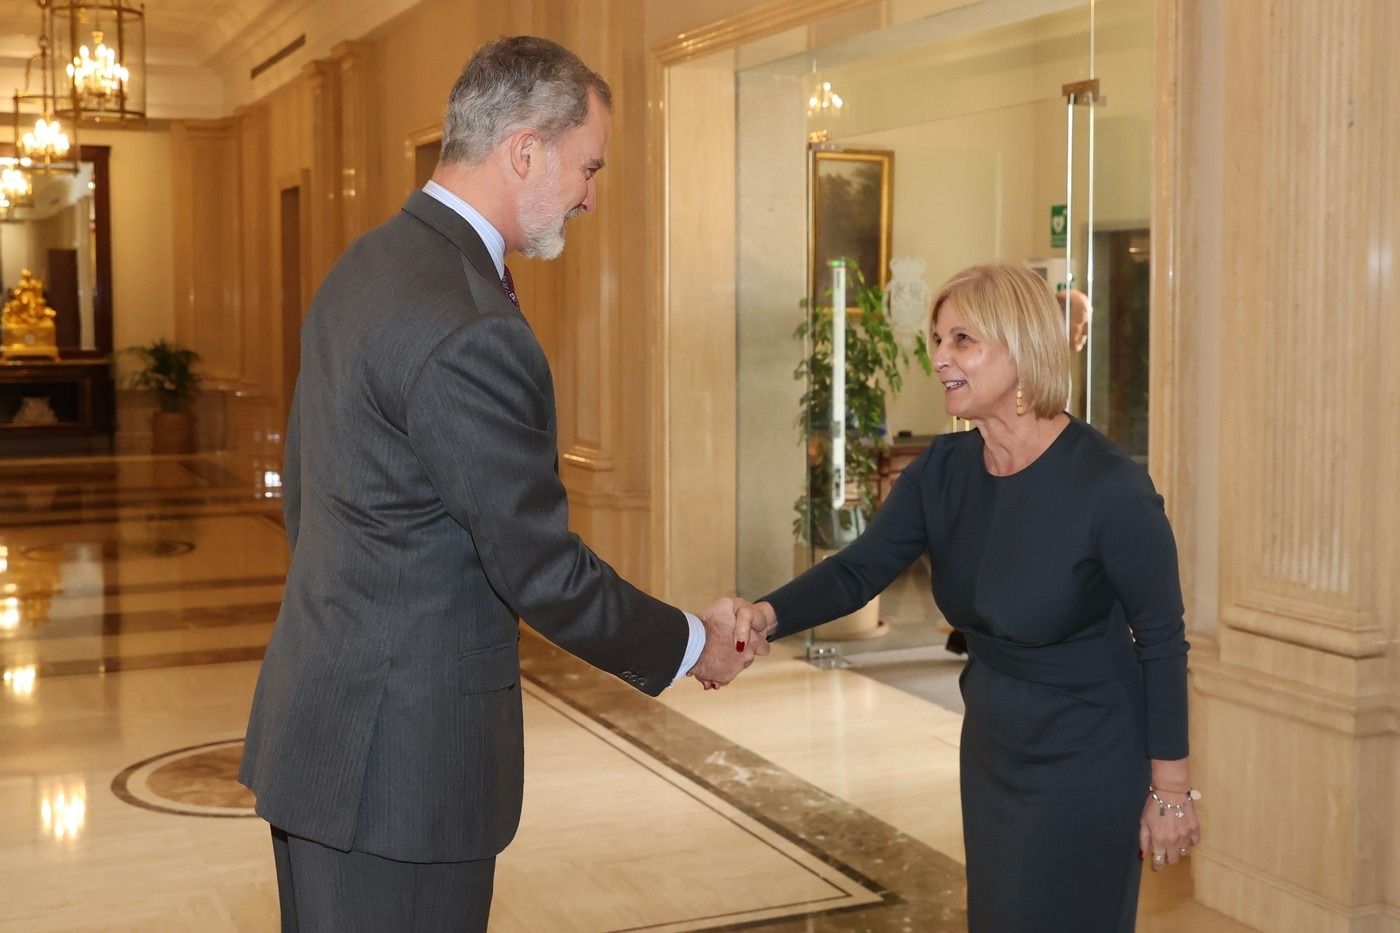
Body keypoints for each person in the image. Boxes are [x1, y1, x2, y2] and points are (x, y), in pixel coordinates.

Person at [238, 36, 764, 932]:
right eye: (588, 167)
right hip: (401, 777)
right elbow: (542, 569)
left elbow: (313, 497)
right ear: (525, 150)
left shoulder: (366, 264)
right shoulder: (471, 323)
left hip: (320, 734)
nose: (593, 195)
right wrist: (690, 642)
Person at [737, 264, 1198, 931]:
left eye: (963, 340)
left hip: (1089, 752)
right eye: (937, 339)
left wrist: (1172, 790)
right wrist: (764, 614)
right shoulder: (942, 471)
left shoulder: (1109, 488)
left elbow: (1162, 640)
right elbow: (858, 570)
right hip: (993, 744)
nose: (941, 358)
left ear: (1024, 346)